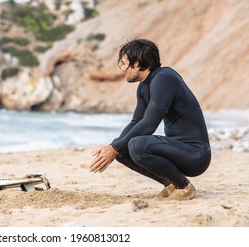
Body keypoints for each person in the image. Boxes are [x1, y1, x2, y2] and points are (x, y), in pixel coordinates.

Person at [89, 39, 211, 200]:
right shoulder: (144, 86)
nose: (123, 69)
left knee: (135, 144)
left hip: (195, 155)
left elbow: (149, 124)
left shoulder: (164, 78)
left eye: (124, 63)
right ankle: (171, 184)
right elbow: (136, 122)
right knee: (122, 147)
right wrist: (113, 146)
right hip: (179, 151)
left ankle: (184, 187)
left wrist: (115, 147)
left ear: (138, 63)